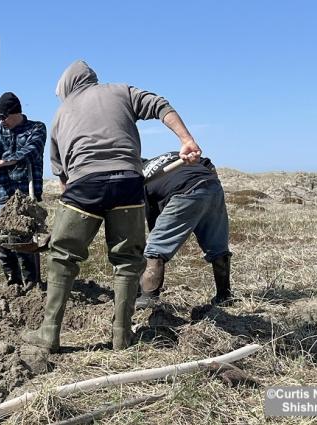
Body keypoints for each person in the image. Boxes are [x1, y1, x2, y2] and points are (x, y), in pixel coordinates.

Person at [21, 60, 201, 352]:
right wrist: (186, 139)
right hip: (129, 183)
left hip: (84, 186)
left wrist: (69, 218)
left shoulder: (60, 115)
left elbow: (63, 179)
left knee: (62, 257)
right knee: (128, 261)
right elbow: (159, 105)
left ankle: (49, 334)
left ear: (66, 86)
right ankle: (122, 336)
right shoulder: (122, 91)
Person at [135, 152, 233, 310]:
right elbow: (207, 162)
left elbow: (153, 219)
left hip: (183, 192)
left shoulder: (141, 179)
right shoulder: (169, 156)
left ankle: (148, 298)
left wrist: (159, 245)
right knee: (217, 247)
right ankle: (225, 295)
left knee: (155, 249)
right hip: (212, 185)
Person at [0, 92, 47, 289]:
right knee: (4, 241)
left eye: (3, 116)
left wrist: (6, 160)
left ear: (16, 113)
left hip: (25, 195)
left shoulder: (36, 128)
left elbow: (31, 150)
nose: (1, 121)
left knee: (26, 240)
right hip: (1, 194)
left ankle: (32, 282)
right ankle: (12, 282)